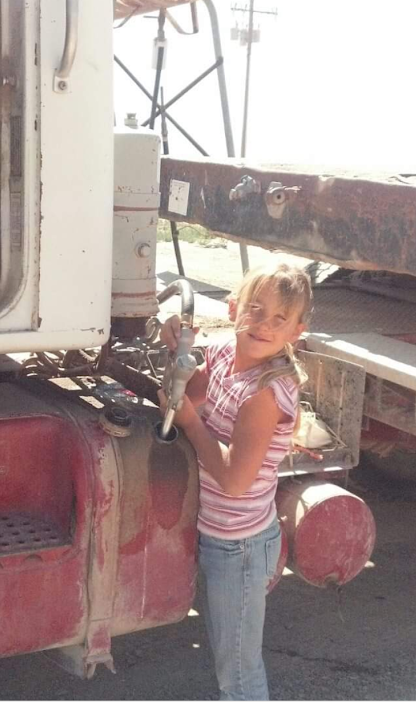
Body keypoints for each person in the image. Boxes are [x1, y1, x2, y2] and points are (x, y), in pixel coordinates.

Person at [158, 260, 313, 701]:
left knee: (239, 672)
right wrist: (178, 352)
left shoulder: (264, 393)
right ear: (232, 309)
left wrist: (190, 424)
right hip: (221, 535)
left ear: (295, 332)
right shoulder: (227, 353)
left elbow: (234, 481)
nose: (264, 325)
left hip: (239, 546)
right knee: (229, 656)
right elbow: (192, 393)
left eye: (279, 319)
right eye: (256, 310)